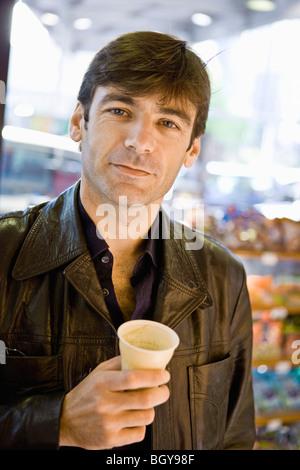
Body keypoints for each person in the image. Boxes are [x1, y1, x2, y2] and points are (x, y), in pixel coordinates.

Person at [0, 31, 255, 450]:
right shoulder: (5, 252)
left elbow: (236, 438)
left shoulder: (223, 277)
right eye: (119, 110)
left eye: (168, 122)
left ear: (191, 150)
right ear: (79, 123)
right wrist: (54, 423)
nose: (140, 141)